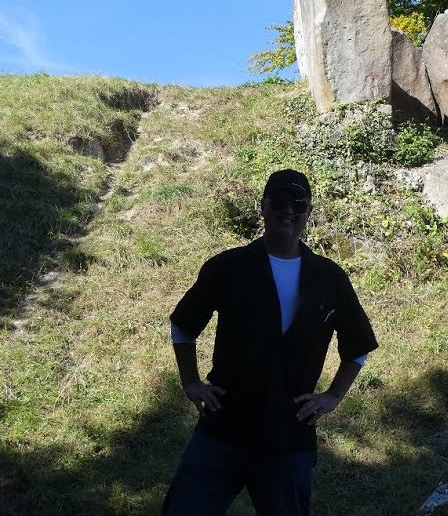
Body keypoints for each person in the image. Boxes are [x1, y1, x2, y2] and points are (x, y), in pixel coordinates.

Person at [162, 169, 379, 515]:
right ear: (263, 207)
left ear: (308, 211)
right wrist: (190, 381)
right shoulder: (228, 267)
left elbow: (359, 346)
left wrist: (333, 396)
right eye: (278, 202)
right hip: (223, 427)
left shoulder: (329, 277)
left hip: (289, 435)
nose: (288, 211)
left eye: (298, 204)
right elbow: (183, 326)